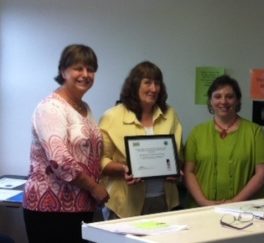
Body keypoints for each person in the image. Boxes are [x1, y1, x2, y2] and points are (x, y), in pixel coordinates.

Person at [22, 44, 109, 243]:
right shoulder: (51, 107)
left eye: (91, 69)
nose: (85, 74)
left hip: (81, 206)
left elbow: (90, 155)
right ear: (63, 71)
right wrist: (94, 188)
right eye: (78, 68)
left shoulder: (84, 107)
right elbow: (59, 160)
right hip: (51, 209)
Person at [98, 61, 183, 219]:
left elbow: (177, 155)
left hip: (163, 201)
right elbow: (100, 160)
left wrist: (177, 171)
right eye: (147, 82)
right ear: (135, 85)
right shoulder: (112, 116)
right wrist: (123, 169)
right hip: (124, 204)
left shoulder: (170, 115)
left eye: (157, 83)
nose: (153, 88)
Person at [184, 74, 264, 207]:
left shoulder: (255, 132)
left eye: (229, 96)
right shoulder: (197, 133)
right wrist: (203, 202)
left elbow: (263, 174)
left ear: (237, 101)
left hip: (246, 209)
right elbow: (188, 172)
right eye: (217, 96)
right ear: (210, 101)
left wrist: (234, 203)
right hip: (203, 209)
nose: (223, 101)